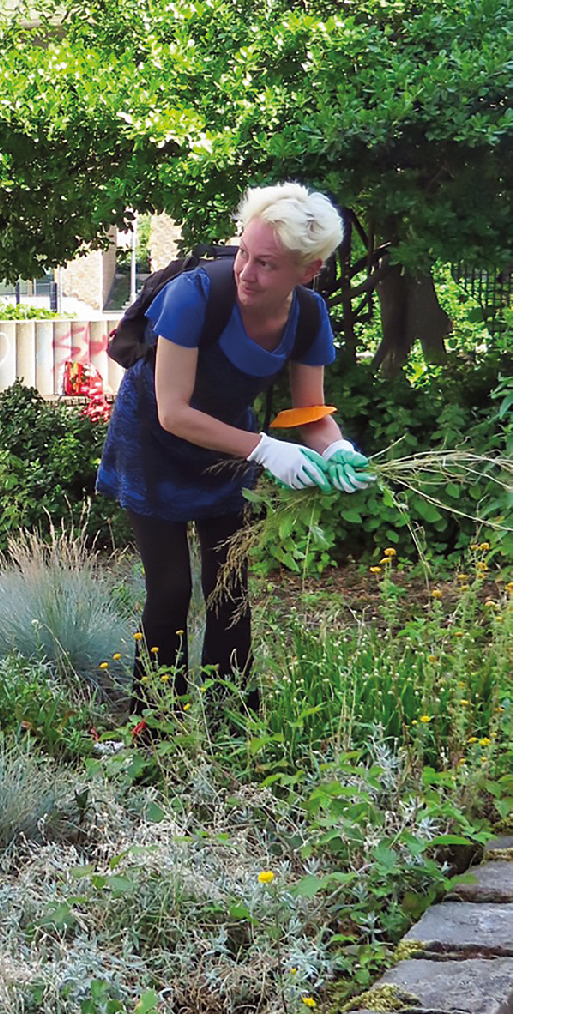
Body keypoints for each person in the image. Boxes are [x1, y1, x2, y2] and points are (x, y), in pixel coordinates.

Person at [96, 182, 374, 707]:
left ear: (307, 270)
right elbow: (173, 412)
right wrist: (266, 449)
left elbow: (311, 413)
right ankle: (154, 727)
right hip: (152, 441)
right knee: (170, 589)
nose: (246, 272)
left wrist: (336, 449)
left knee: (228, 587)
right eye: (244, 252)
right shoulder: (195, 296)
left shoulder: (309, 316)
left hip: (227, 446)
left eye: (267, 264)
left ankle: (229, 722)